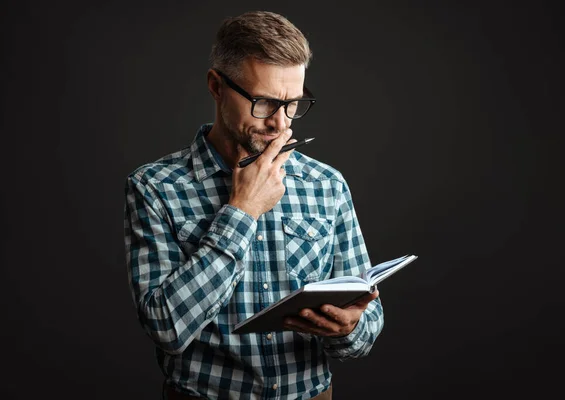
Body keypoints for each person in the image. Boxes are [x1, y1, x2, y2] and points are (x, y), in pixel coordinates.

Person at [123, 10, 384, 400]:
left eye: (293, 103)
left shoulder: (326, 184)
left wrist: (349, 329)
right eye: (263, 102)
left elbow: (366, 326)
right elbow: (167, 328)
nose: (281, 123)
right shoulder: (155, 187)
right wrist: (242, 211)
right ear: (216, 86)